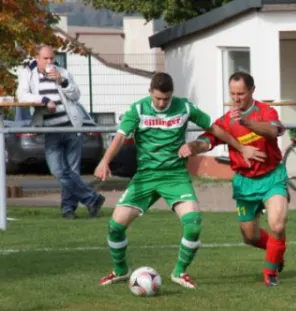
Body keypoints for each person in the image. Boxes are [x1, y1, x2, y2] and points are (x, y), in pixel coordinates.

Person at [95, 72, 265, 289]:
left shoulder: (184, 108)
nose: (161, 103)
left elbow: (214, 129)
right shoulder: (138, 109)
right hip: (146, 177)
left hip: (175, 176)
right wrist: (104, 161)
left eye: (166, 99)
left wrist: (241, 148)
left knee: (193, 223)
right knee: (114, 226)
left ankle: (180, 272)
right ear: (150, 93)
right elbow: (119, 137)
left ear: (172, 94)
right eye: (157, 98)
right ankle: (120, 270)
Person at [188, 72, 289, 288]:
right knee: (250, 237)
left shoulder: (265, 111)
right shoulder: (225, 121)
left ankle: (270, 272)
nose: (236, 98)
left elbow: (274, 130)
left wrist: (247, 123)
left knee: (277, 225)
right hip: (245, 182)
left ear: (252, 90)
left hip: (272, 177)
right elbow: (206, 141)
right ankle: (277, 250)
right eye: (233, 94)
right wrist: (192, 147)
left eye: (241, 93)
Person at [16, 44, 105, 219]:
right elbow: (22, 96)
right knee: (58, 171)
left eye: (51, 58)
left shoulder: (62, 72)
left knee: (72, 172)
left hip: (71, 127)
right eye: (45, 58)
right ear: (37, 58)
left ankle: (68, 210)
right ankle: (92, 198)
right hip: (52, 130)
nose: (49, 62)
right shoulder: (28, 74)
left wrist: (62, 82)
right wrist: (43, 100)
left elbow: (76, 95)